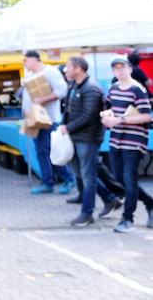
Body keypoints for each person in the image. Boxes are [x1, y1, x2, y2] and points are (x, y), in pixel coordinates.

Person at [59, 55, 116, 227]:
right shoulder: (74, 86)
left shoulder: (91, 88)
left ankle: (87, 213)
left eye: (68, 67)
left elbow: (89, 115)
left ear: (78, 69)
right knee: (81, 173)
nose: (65, 70)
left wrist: (68, 127)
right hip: (75, 137)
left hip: (88, 138)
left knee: (88, 176)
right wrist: (65, 126)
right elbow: (69, 110)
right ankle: (110, 198)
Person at [101, 55, 153, 232]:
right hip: (116, 140)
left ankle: (128, 219)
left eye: (123, 67)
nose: (120, 71)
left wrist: (119, 120)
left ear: (130, 69)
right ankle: (150, 203)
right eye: (116, 68)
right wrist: (106, 115)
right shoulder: (114, 88)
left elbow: (146, 116)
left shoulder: (138, 90)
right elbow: (109, 107)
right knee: (120, 179)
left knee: (130, 179)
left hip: (134, 141)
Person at [19, 50, 74, 195]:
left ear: (33, 59)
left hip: (49, 119)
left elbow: (62, 90)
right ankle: (47, 182)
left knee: (52, 150)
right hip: (35, 120)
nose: (24, 63)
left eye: (26, 60)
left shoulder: (50, 72)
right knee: (41, 152)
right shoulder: (30, 76)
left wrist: (43, 100)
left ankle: (68, 178)